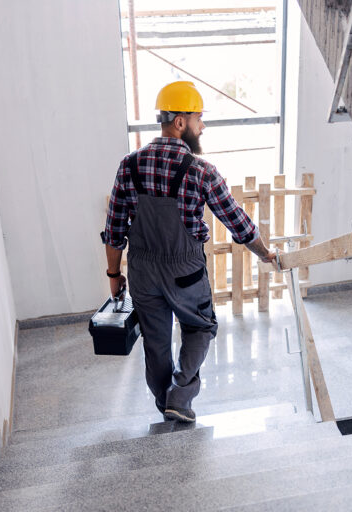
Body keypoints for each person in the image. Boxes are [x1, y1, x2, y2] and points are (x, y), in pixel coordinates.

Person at [103, 81, 276, 423]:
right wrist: (263, 252)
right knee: (200, 327)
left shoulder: (130, 165)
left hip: (143, 271)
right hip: (186, 270)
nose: (202, 126)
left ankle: (163, 401)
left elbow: (114, 230)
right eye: (199, 119)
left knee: (156, 340)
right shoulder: (201, 170)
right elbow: (236, 221)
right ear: (180, 122)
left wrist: (113, 275)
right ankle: (179, 397)